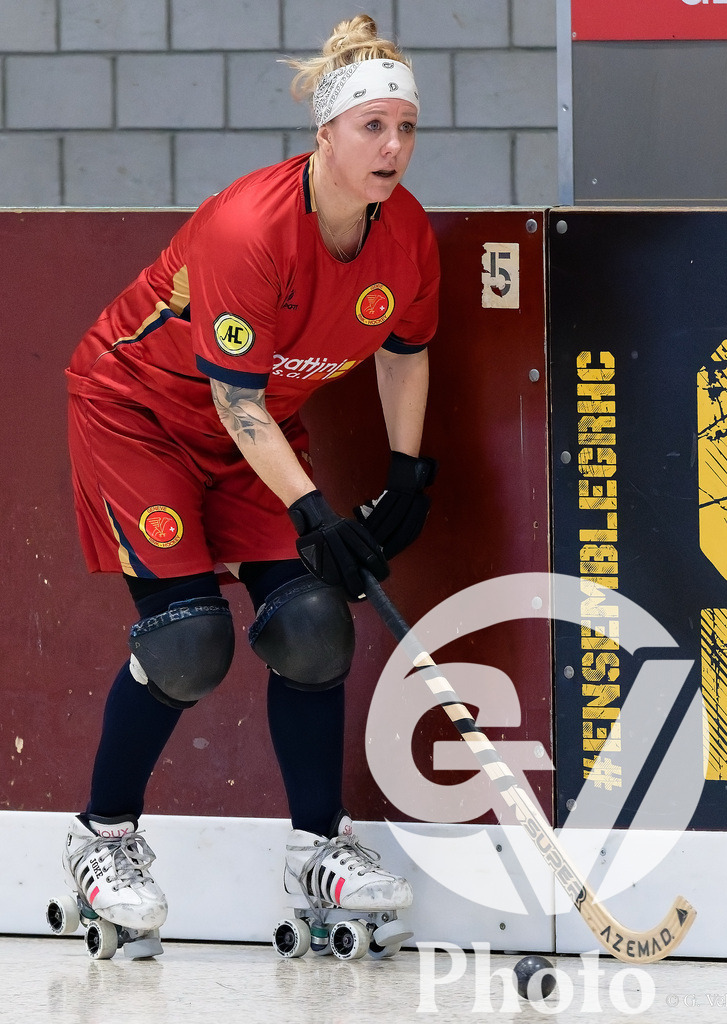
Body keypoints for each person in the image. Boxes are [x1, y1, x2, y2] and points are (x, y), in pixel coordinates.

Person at [60, 14, 440, 945]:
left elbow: (404, 353)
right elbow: (236, 403)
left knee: (312, 626)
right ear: (326, 135)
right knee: (189, 641)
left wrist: (408, 471)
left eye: (407, 128)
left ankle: (319, 849)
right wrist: (313, 509)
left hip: (252, 432)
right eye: (372, 128)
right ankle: (101, 839)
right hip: (141, 410)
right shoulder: (249, 228)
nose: (393, 147)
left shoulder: (407, 235)